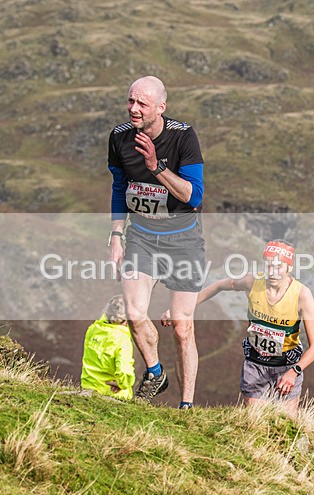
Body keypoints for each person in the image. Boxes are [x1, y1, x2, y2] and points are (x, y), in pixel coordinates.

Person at [108, 76, 205, 409]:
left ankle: (187, 406)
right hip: (142, 237)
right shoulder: (119, 138)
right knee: (134, 313)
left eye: (142, 104)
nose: (134, 109)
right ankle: (155, 372)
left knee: (181, 327)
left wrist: (156, 167)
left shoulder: (183, 137)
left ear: (160, 107)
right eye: (130, 101)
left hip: (183, 240)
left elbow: (194, 196)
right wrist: (116, 235)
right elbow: (119, 188)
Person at [162, 241, 314, 416]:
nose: (273, 271)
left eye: (279, 266)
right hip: (256, 363)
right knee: (255, 422)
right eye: (268, 266)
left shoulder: (302, 295)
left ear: (289, 268)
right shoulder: (252, 282)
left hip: (287, 366)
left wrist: (294, 372)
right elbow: (218, 286)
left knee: (286, 425)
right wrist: (179, 310)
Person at [80, 295, 136, 401]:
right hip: (113, 393)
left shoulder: (92, 330)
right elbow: (124, 370)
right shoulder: (123, 339)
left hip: (88, 387)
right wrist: (122, 383)